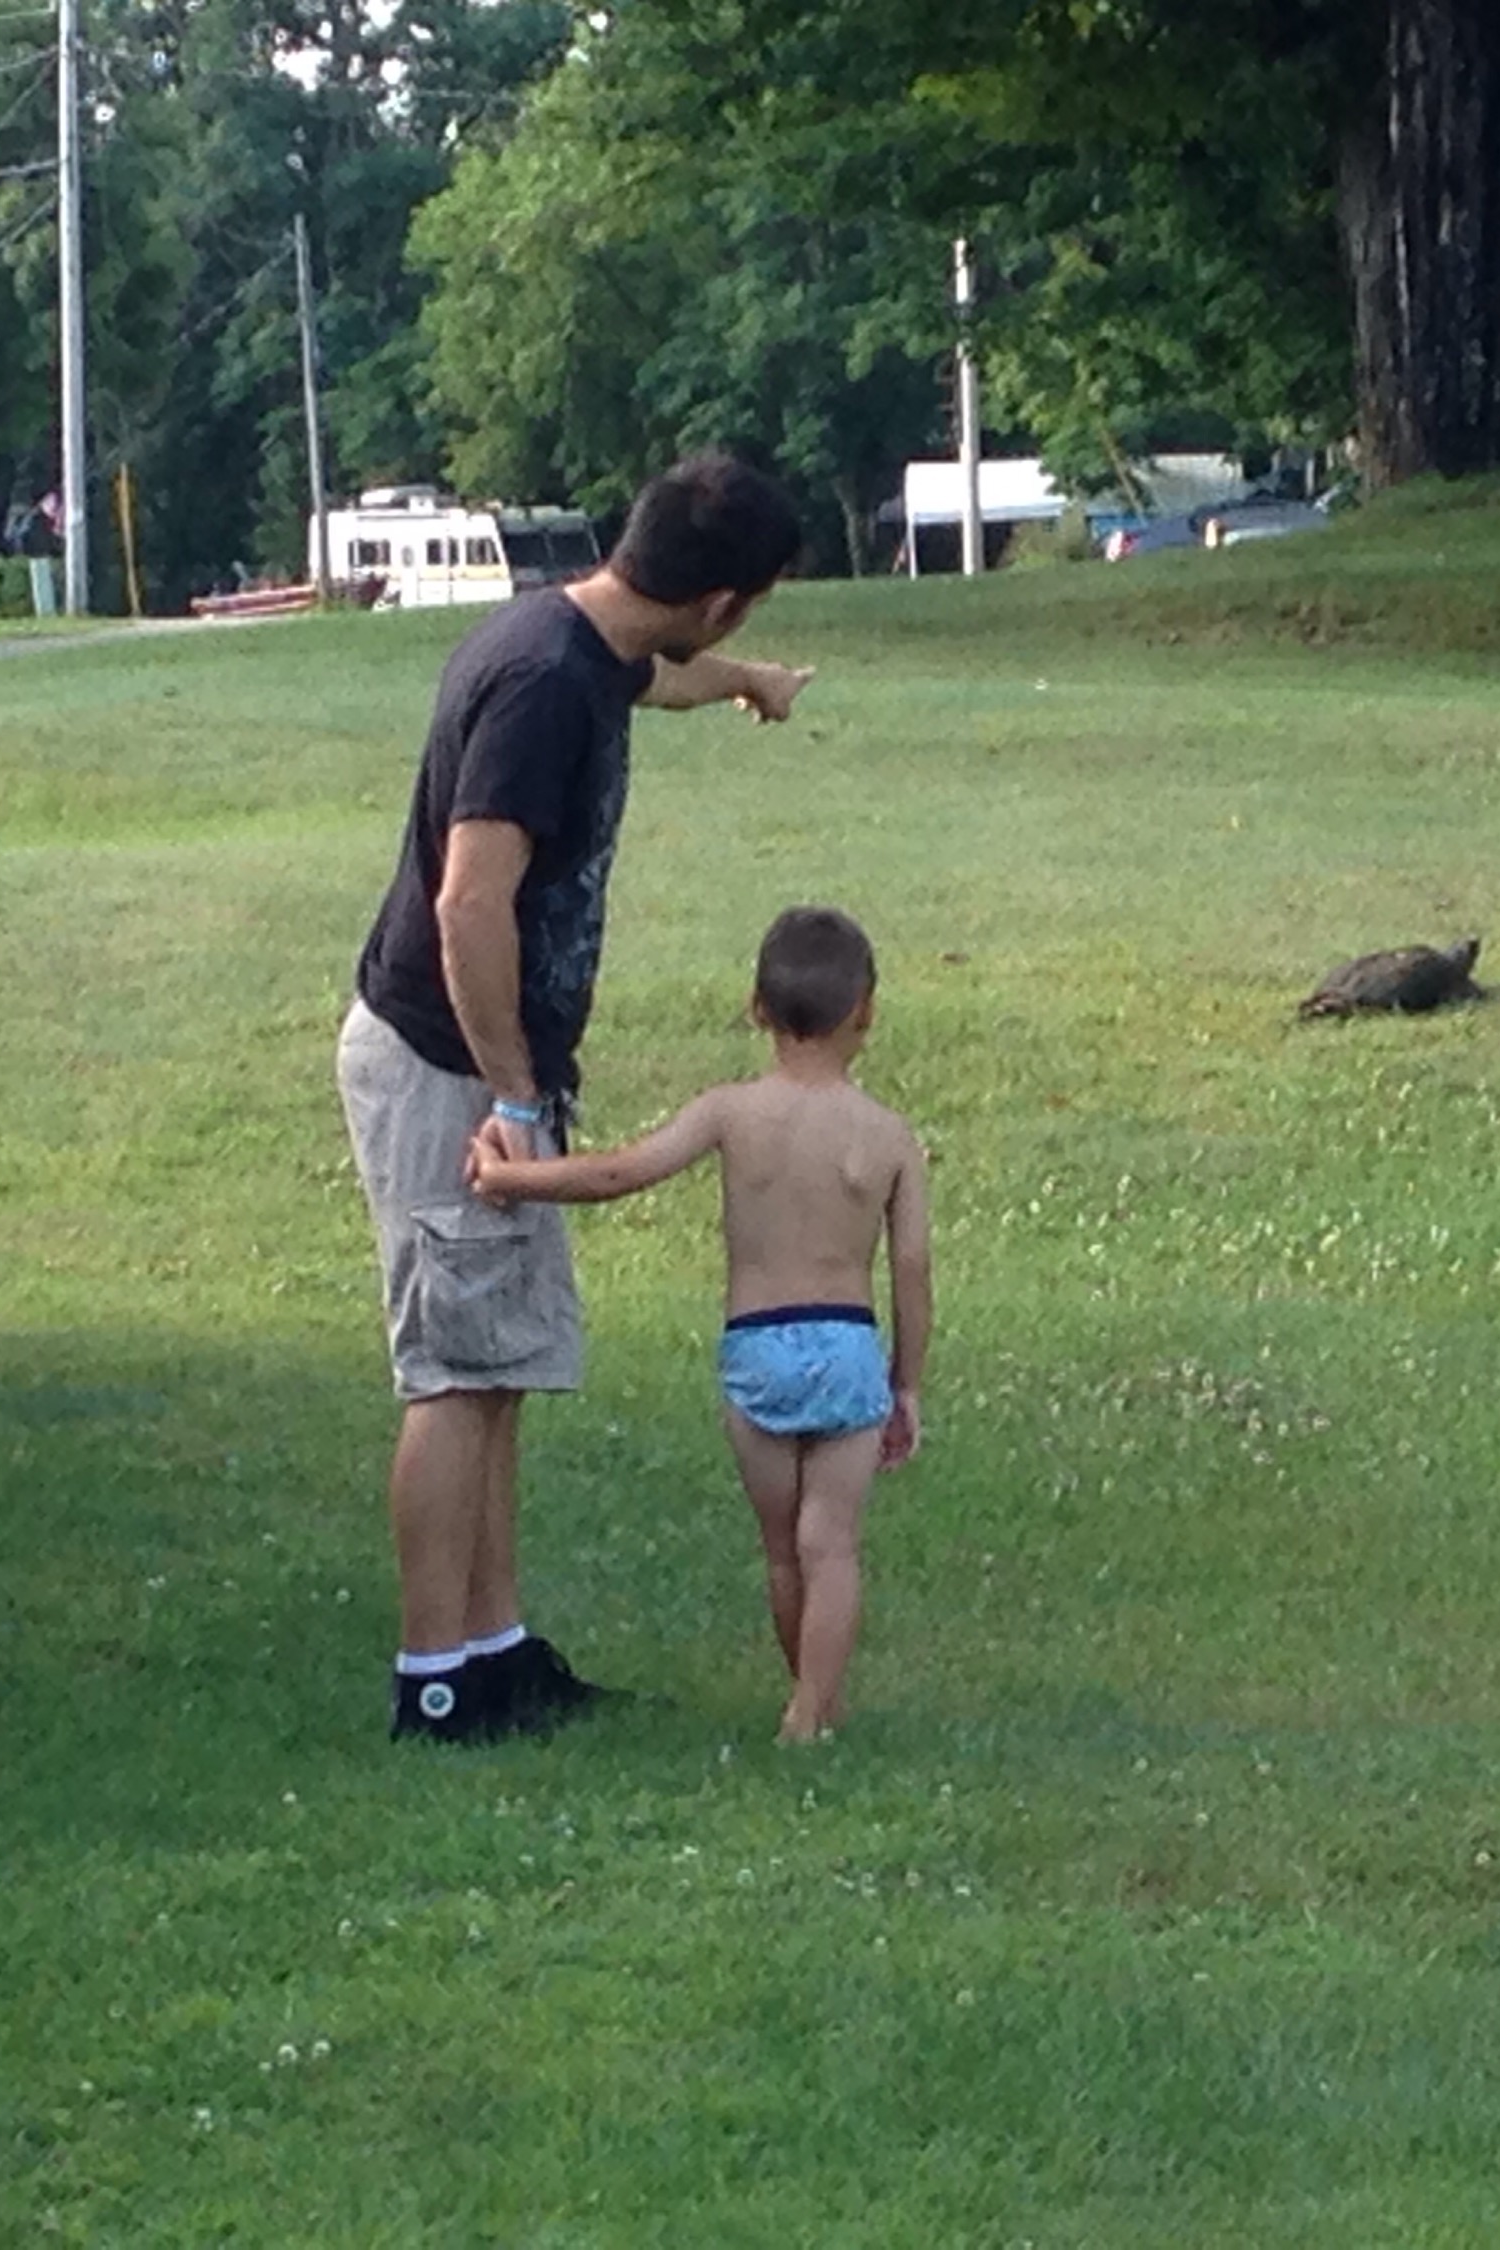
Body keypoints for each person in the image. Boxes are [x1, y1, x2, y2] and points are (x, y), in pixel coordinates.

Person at [337, 453, 814, 1745]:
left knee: (497, 1365)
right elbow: (468, 902)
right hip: (450, 1066)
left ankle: (494, 1651)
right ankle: (436, 1683)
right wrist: (512, 1095)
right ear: (719, 597)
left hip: (492, 1066)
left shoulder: (586, 642)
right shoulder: (545, 684)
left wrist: (748, 683)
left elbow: (661, 677)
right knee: (453, 1374)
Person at [471, 906, 931, 1744]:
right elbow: (912, 1267)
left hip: (757, 1346)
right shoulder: (889, 1136)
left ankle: (811, 1702)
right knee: (832, 1544)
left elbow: (619, 1173)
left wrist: (513, 1181)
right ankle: (812, 1710)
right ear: (866, 1011)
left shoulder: (729, 1112)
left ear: (756, 1008)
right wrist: (905, 1383)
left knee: (783, 1549)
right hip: (846, 1345)